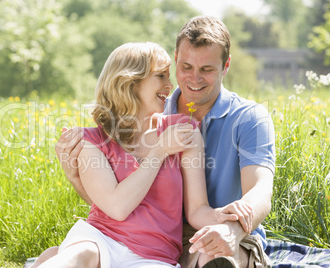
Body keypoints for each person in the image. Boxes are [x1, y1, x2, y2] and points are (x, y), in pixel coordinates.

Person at [54, 16, 275, 268]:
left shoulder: (248, 118)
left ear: (225, 66)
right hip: (159, 239)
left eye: (207, 69)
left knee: (215, 256)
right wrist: (77, 179)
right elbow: (120, 207)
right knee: (77, 255)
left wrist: (232, 228)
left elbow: (260, 192)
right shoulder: (155, 114)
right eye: (185, 67)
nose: (194, 78)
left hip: (220, 232)